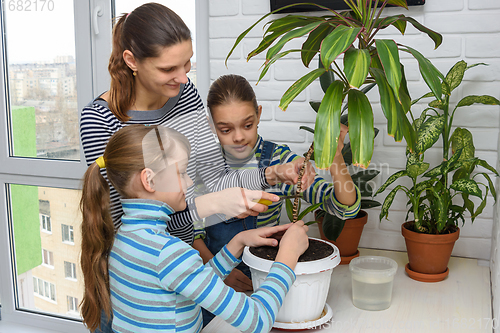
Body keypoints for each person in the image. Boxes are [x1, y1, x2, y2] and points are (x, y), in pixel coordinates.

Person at [79, 2, 315, 248]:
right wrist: (212, 205)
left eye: (187, 63)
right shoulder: (100, 120)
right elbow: (125, 226)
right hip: (143, 268)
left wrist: (273, 174)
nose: (183, 78)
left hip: (185, 257)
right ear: (131, 61)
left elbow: (214, 181)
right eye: (168, 68)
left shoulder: (185, 95)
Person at [80, 124, 310, 333]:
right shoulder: (167, 252)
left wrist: (237, 242)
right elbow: (256, 320)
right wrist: (287, 257)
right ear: (149, 181)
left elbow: (190, 282)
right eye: (181, 173)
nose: (189, 182)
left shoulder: (124, 238)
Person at [193, 75, 361, 322]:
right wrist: (222, 274)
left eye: (247, 125)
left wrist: (335, 157)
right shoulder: (203, 166)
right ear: (211, 125)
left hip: (267, 285)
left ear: (259, 115)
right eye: (226, 129)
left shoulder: (278, 161)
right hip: (214, 283)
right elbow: (192, 232)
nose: (238, 137)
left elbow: (344, 207)